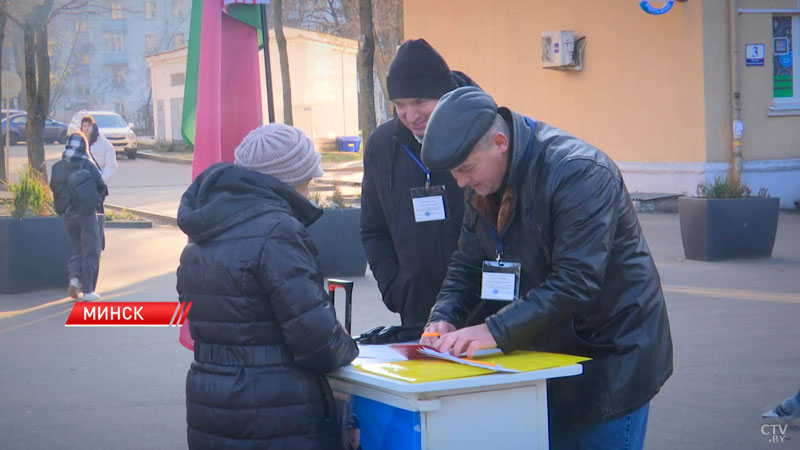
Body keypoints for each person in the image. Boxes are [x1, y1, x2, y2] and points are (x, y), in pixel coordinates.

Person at [419, 87, 673, 449]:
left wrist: (493, 330)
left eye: (465, 170)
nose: (460, 182)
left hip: (611, 358)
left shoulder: (579, 172)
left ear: (500, 142)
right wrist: (443, 316)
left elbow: (576, 281)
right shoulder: (484, 179)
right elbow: (467, 264)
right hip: (545, 356)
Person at [176, 124, 359, 449]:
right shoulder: (279, 231)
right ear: (293, 180)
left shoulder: (205, 229)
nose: (310, 185)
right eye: (308, 178)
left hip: (211, 405)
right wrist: (347, 345)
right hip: (274, 413)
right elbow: (317, 340)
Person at [360, 38, 480, 328]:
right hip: (415, 312)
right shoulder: (382, 145)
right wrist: (396, 288)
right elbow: (373, 230)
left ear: (444, 96)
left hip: (481, 312)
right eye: (400, 104)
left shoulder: (481, 135)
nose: (410, 116)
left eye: (420, 102)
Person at [50, 132, 106, 301]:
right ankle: (89, 290)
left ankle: (74, 278)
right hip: (86, 214)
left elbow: (53, 187)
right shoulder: (86, 164)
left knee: (77, 247)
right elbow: (101, 184)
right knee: (91, 251)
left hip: (67, 215)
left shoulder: (57, 166)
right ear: (84, 146)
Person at [81, 115, 116, 250]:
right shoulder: (80, 143)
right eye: (84, 126)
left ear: (93, 127)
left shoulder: (104, 144)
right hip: (82, 186)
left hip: (97, 186)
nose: (86, 129)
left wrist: (100, 180)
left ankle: (99, 243)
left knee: (98, 213)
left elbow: (111, 166)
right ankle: (87, 244)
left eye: (88, 126)